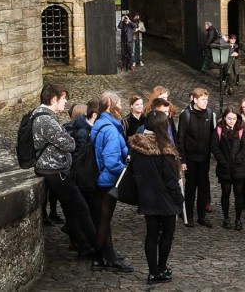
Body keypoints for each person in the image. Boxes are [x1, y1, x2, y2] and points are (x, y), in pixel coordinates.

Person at [31, 83, 98, 260]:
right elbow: (70, 144)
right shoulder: (46, 119)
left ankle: (84, 247)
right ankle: (99, 250)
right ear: (54, 99)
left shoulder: (41, 115)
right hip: (55, 171)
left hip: (52, 169)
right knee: (81, 208)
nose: (66, 102)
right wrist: (67, 139)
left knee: (70, 210)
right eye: (63, 98)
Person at [129, 110, 184, 285]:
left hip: (147, 197)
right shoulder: (165, 150)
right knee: (167, 234)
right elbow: (171, 180)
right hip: (165, 200)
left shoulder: (137, 147)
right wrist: (180, 199)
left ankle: (153, 272)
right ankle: (161, 267)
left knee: (151, 235)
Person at [90, 92, 134, 272]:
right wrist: (125, 170)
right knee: (104, 222)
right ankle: (102, 259)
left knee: (103, 221)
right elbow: (111, 162)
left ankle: (107, 255)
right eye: (119, 103)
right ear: (110, 106)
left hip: (99, 178)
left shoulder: (100, 123)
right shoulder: (110, 129)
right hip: (107, 181)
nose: (122, 107)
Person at [176, 88, 217, 228]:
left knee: (203, 186)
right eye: (202, 99)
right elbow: (180, 139)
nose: (205, 102)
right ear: (194, 99)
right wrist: (182, 160)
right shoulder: (186, 115)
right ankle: (189, 215)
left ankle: (201, 216)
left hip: (204, 158)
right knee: (190, 187)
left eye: (206, 99)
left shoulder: (210, 114)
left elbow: (213, 136)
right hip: (190, 158)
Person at [211, 107, 245, 230]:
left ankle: (238, 219)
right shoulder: (219, 130)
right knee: (225, 192)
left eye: (233, 119)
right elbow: (214, 147)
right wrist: (223, 161)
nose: (231, 121)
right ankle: (226, 218)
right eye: (229, 118)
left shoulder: (241, 130)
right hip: (224, 168)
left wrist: (238, 159)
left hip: (239, 168)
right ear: (224, 118)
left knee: (239, 193)